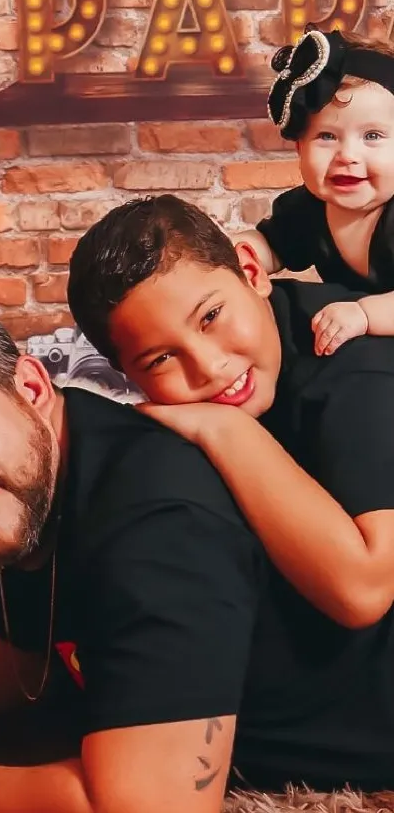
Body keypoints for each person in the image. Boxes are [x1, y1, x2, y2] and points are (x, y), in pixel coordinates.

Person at [68, 193, 394, 628]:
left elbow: (365, 590)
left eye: (211, 317)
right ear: (127, 375)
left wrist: (223, 430)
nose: (209, 367)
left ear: (252, 272)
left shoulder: (358, 368)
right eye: (160, 360)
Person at [231, 28, 394, 357]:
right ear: (299, 148)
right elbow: (273, 246)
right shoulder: (307, 209)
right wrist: (235, 254)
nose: (347, 155)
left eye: (373, 136)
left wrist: (365, 314)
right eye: (327, 137)